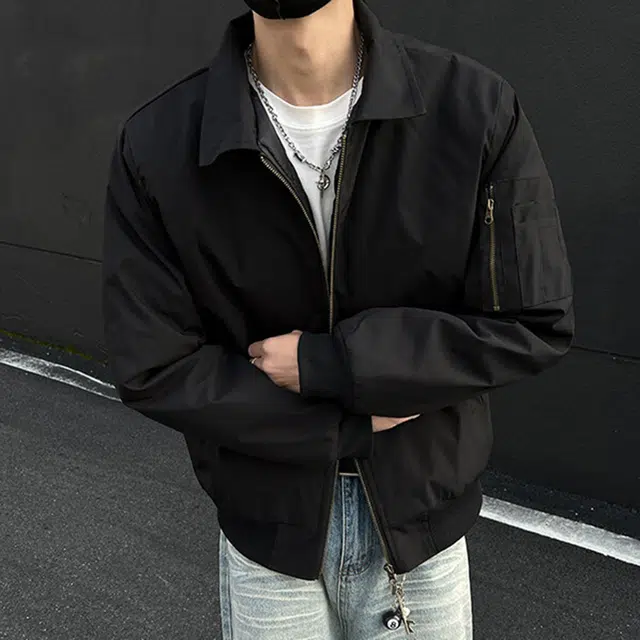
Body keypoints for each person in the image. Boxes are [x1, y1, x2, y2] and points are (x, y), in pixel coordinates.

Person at [101, 0, 575, 637]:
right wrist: (345, 423)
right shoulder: (159, 142)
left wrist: (335, 364)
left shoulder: (473, 108)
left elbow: (532, 319)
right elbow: (153, 365)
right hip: (269, 538)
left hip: (419, 533)